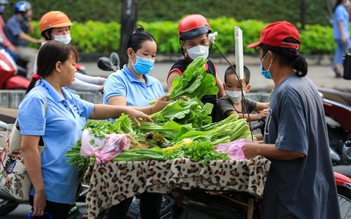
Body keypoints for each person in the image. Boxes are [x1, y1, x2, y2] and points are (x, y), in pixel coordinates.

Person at [17, 40, 156, 219]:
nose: (76, 69)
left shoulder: (66, 95)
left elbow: (94, 109)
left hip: (66, 188)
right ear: (59, 66)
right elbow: (28, 148)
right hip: (50, 189)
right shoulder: (37, 99)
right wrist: (40, 191)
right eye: (73, 64)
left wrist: (126, 109)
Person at [242, 20, 340, 218]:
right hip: (307, 194)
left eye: (260, 53)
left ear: (269, 56)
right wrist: (258, 140)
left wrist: (256, 149)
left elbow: (294, 148)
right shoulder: (304, 83)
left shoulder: (288, 92)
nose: (260, 59)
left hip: (294, 202)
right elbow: (289, 134)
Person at [102, 26, 169, 219]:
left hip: (151, 153)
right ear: (131, 53)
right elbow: (119, 111)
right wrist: (152, 110)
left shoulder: (155, 84)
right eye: (145, 54)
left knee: (152, 210)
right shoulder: (116, 80)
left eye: (153, 55)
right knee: (118, 209)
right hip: (124, 154)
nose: (150, 59)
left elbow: (160, 116)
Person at [167, 14, 225, 122]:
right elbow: (173, 102)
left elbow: (221, 93)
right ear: (183, 44)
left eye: (202, 42)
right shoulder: (177, 71)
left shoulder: (210, 65)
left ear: (209, 39)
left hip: (213, 125)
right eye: (192, 44)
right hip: (191, 127)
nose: (199, 48)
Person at [38, 10, 105, 94]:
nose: (65, 33)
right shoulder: (49, 52)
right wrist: (97, 88)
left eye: (67, 30)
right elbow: (67, 78)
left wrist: (101, 81)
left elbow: (71, 74)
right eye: (59, 31)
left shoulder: (60, 49)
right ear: (47, 34)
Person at [4, 1, 44, 79]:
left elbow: (30, 31)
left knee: (39, 53)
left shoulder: (21, 21)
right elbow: (21, 35)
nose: (30, 12)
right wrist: (37, 41)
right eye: (28, 10)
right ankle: (30, 80)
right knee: (34, 56)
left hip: (22, 47)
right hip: (16, 48)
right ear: (23, 11)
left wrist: (29, 19)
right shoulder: (13, 22)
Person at [332, 0, 351, 78]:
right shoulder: (340, 9)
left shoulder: (342, 8)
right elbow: (339, 22)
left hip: (340, 35)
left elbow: (348, 19)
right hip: (342, 35)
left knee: (339, 52)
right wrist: (343, 35)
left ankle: (337, 69)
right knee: (349, 50)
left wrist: (349, 9)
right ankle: (342, 69)